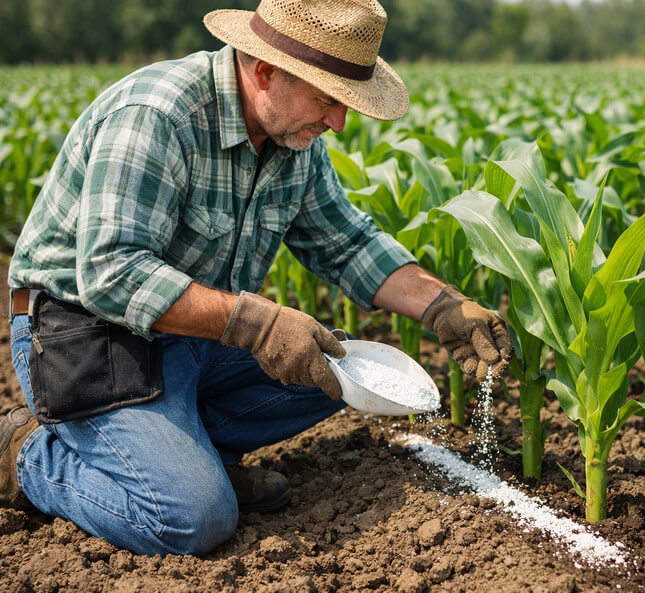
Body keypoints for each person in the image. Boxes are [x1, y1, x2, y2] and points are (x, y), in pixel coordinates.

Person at [0, 0, 512, 556]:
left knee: (347, 369)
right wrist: (257, 323)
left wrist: (443, 305)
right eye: (327, 98)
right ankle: (28, 453)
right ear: (264, 69)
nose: (338, 123)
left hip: (194, 336)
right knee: (194, 519)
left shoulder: (292, 139)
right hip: (87, 337)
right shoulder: (158, 115)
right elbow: (111, 272)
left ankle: (192, 457)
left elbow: (347, 242)